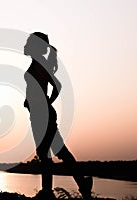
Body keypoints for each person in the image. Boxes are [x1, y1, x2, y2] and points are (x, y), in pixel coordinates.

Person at [23, 31, 93, 199]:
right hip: (40, 115)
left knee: (45, 154)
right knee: (60, 152)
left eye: (29, 42)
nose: (25, 44)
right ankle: (83, 185)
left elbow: (57, 86)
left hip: (43, 116)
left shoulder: (39, 65)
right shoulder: (37, 64)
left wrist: (45, 103)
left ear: (35, 46)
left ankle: (47, 192)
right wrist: (30, 101)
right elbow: (39, 88)